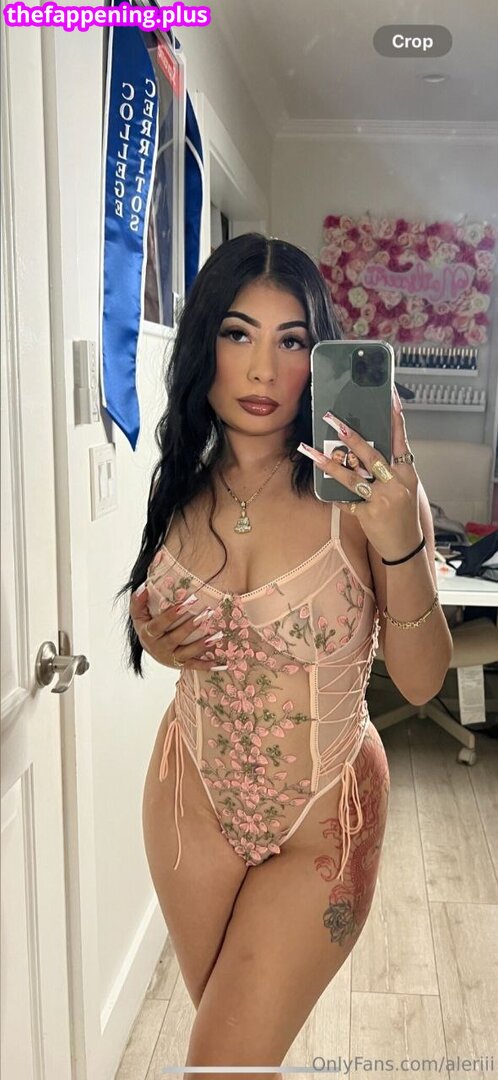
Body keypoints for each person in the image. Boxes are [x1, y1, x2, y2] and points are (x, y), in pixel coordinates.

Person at [119, 233, 452, 1074]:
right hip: (190, 800)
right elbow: (167, 622)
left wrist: (401, 540)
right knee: (234, 1053)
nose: (264, 368)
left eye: (292, 340)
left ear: (320, 357)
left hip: (326, 815)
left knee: (222, 1058)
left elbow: (421, 683)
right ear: (205, 344)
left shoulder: (370, 498)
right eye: (239, 333)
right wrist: (154, 636)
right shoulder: (181, 485)